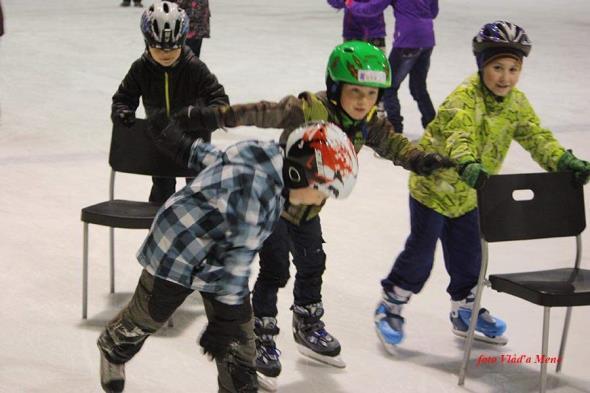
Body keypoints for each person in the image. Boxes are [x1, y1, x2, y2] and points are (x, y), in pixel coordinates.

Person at [175, 40, 452, 388]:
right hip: (272, 205)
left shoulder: (368, 120)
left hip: (308, 209)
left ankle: (307, 322)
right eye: (355, 92)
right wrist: (212, 116)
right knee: (274, 271)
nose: (363, 101)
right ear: (336, 88)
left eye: (371, 93)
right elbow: (262, 111)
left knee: (313, 263)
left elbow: (393, 144)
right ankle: (260, 336)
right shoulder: (309, 110)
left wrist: (418, 159)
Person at [97, 120, 360, 393]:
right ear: (299, 172)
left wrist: (184, 145)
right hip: (178, 249)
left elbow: (214, 157)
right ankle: (113, 346)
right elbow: (236, 262)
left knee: (241, 349)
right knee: (149, 315)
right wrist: (224, 321)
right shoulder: (258, 195)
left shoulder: (271, 157)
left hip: (218, 257)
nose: (319, 202)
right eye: (321, 192)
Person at [374, 20, 590, 351]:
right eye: (497, 67)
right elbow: (460, 137)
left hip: (472, 193)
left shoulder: (516, 103)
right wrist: (466, 163)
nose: (505, 77)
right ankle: (391, 304)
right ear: (482, 66)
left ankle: (464, 309)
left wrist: (562, 162)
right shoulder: (464, 98)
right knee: (420, 254)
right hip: (434, 189)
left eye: (513, 69)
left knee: (469, 257)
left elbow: (536, 135)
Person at [111, 1, 228, 204]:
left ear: (182, 42)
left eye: (172, 49)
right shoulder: (140, 69)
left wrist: (206, 116)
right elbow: (123, 98)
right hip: (160, 144)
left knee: (197, 195)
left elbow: (219, 100)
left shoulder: (194, 68)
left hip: (193, 144)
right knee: (161, 195)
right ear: (147, 43)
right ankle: (159, 232)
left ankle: (197, 232)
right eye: (159, 49)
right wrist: (123, 113)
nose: (166, 55)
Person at [345, 0, 438, 134]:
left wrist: (351, 4)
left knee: (388, 87)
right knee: (419, 88)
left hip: (407, 40)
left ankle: (395, 129)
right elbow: (433, 12)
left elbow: (373, 8)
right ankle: (434, 130)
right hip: (427, 39)